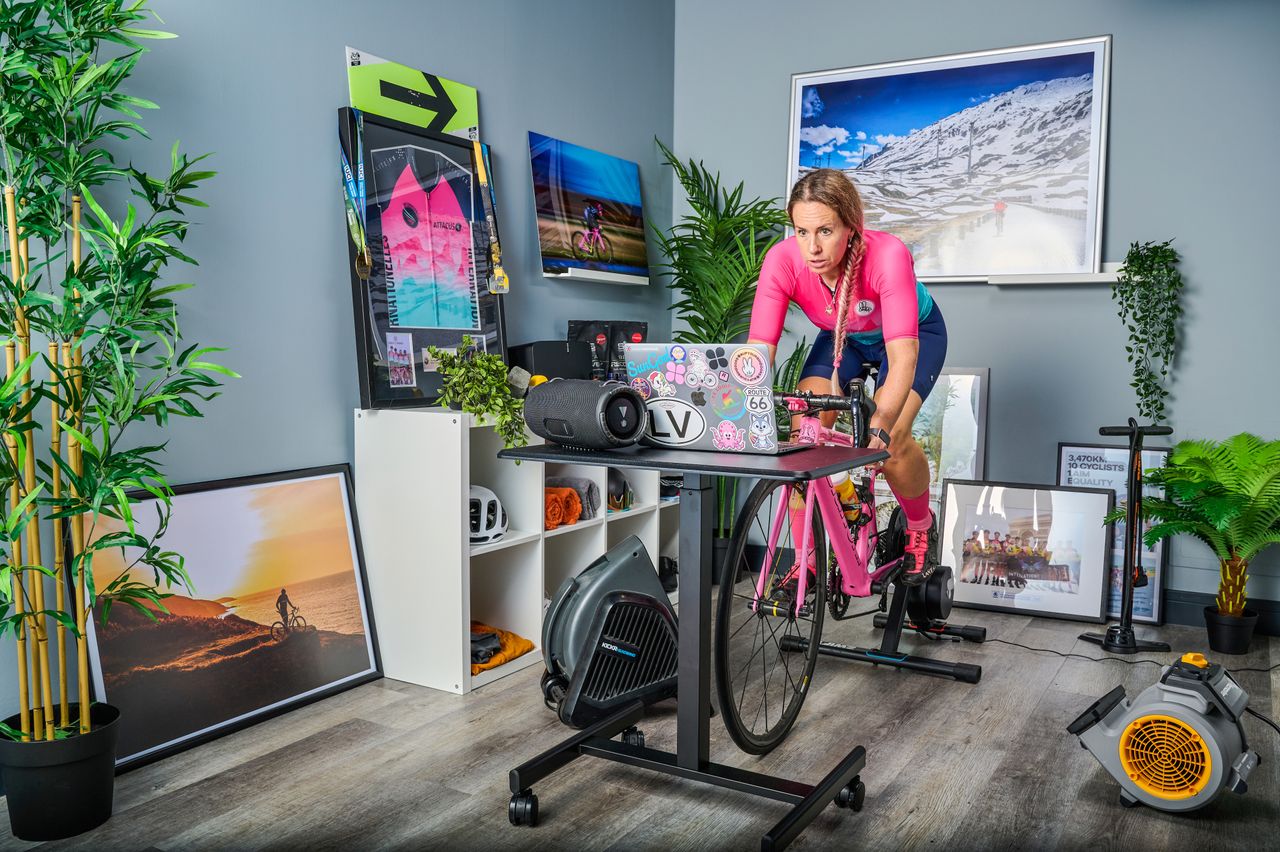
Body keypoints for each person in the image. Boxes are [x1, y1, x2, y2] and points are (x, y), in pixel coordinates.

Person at [749, 169, 948, 586]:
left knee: (891, 442)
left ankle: (919, 527)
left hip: (912, 335)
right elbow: (758, 351)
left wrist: (880, 424)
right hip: (842, 337)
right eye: (802, 232)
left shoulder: (888, 254)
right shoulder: (782, 261)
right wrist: (744, 408)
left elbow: (903, 355)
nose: (813, 247)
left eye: (825, 231)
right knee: (803, 439)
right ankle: (807, 558)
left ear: (851, 226)